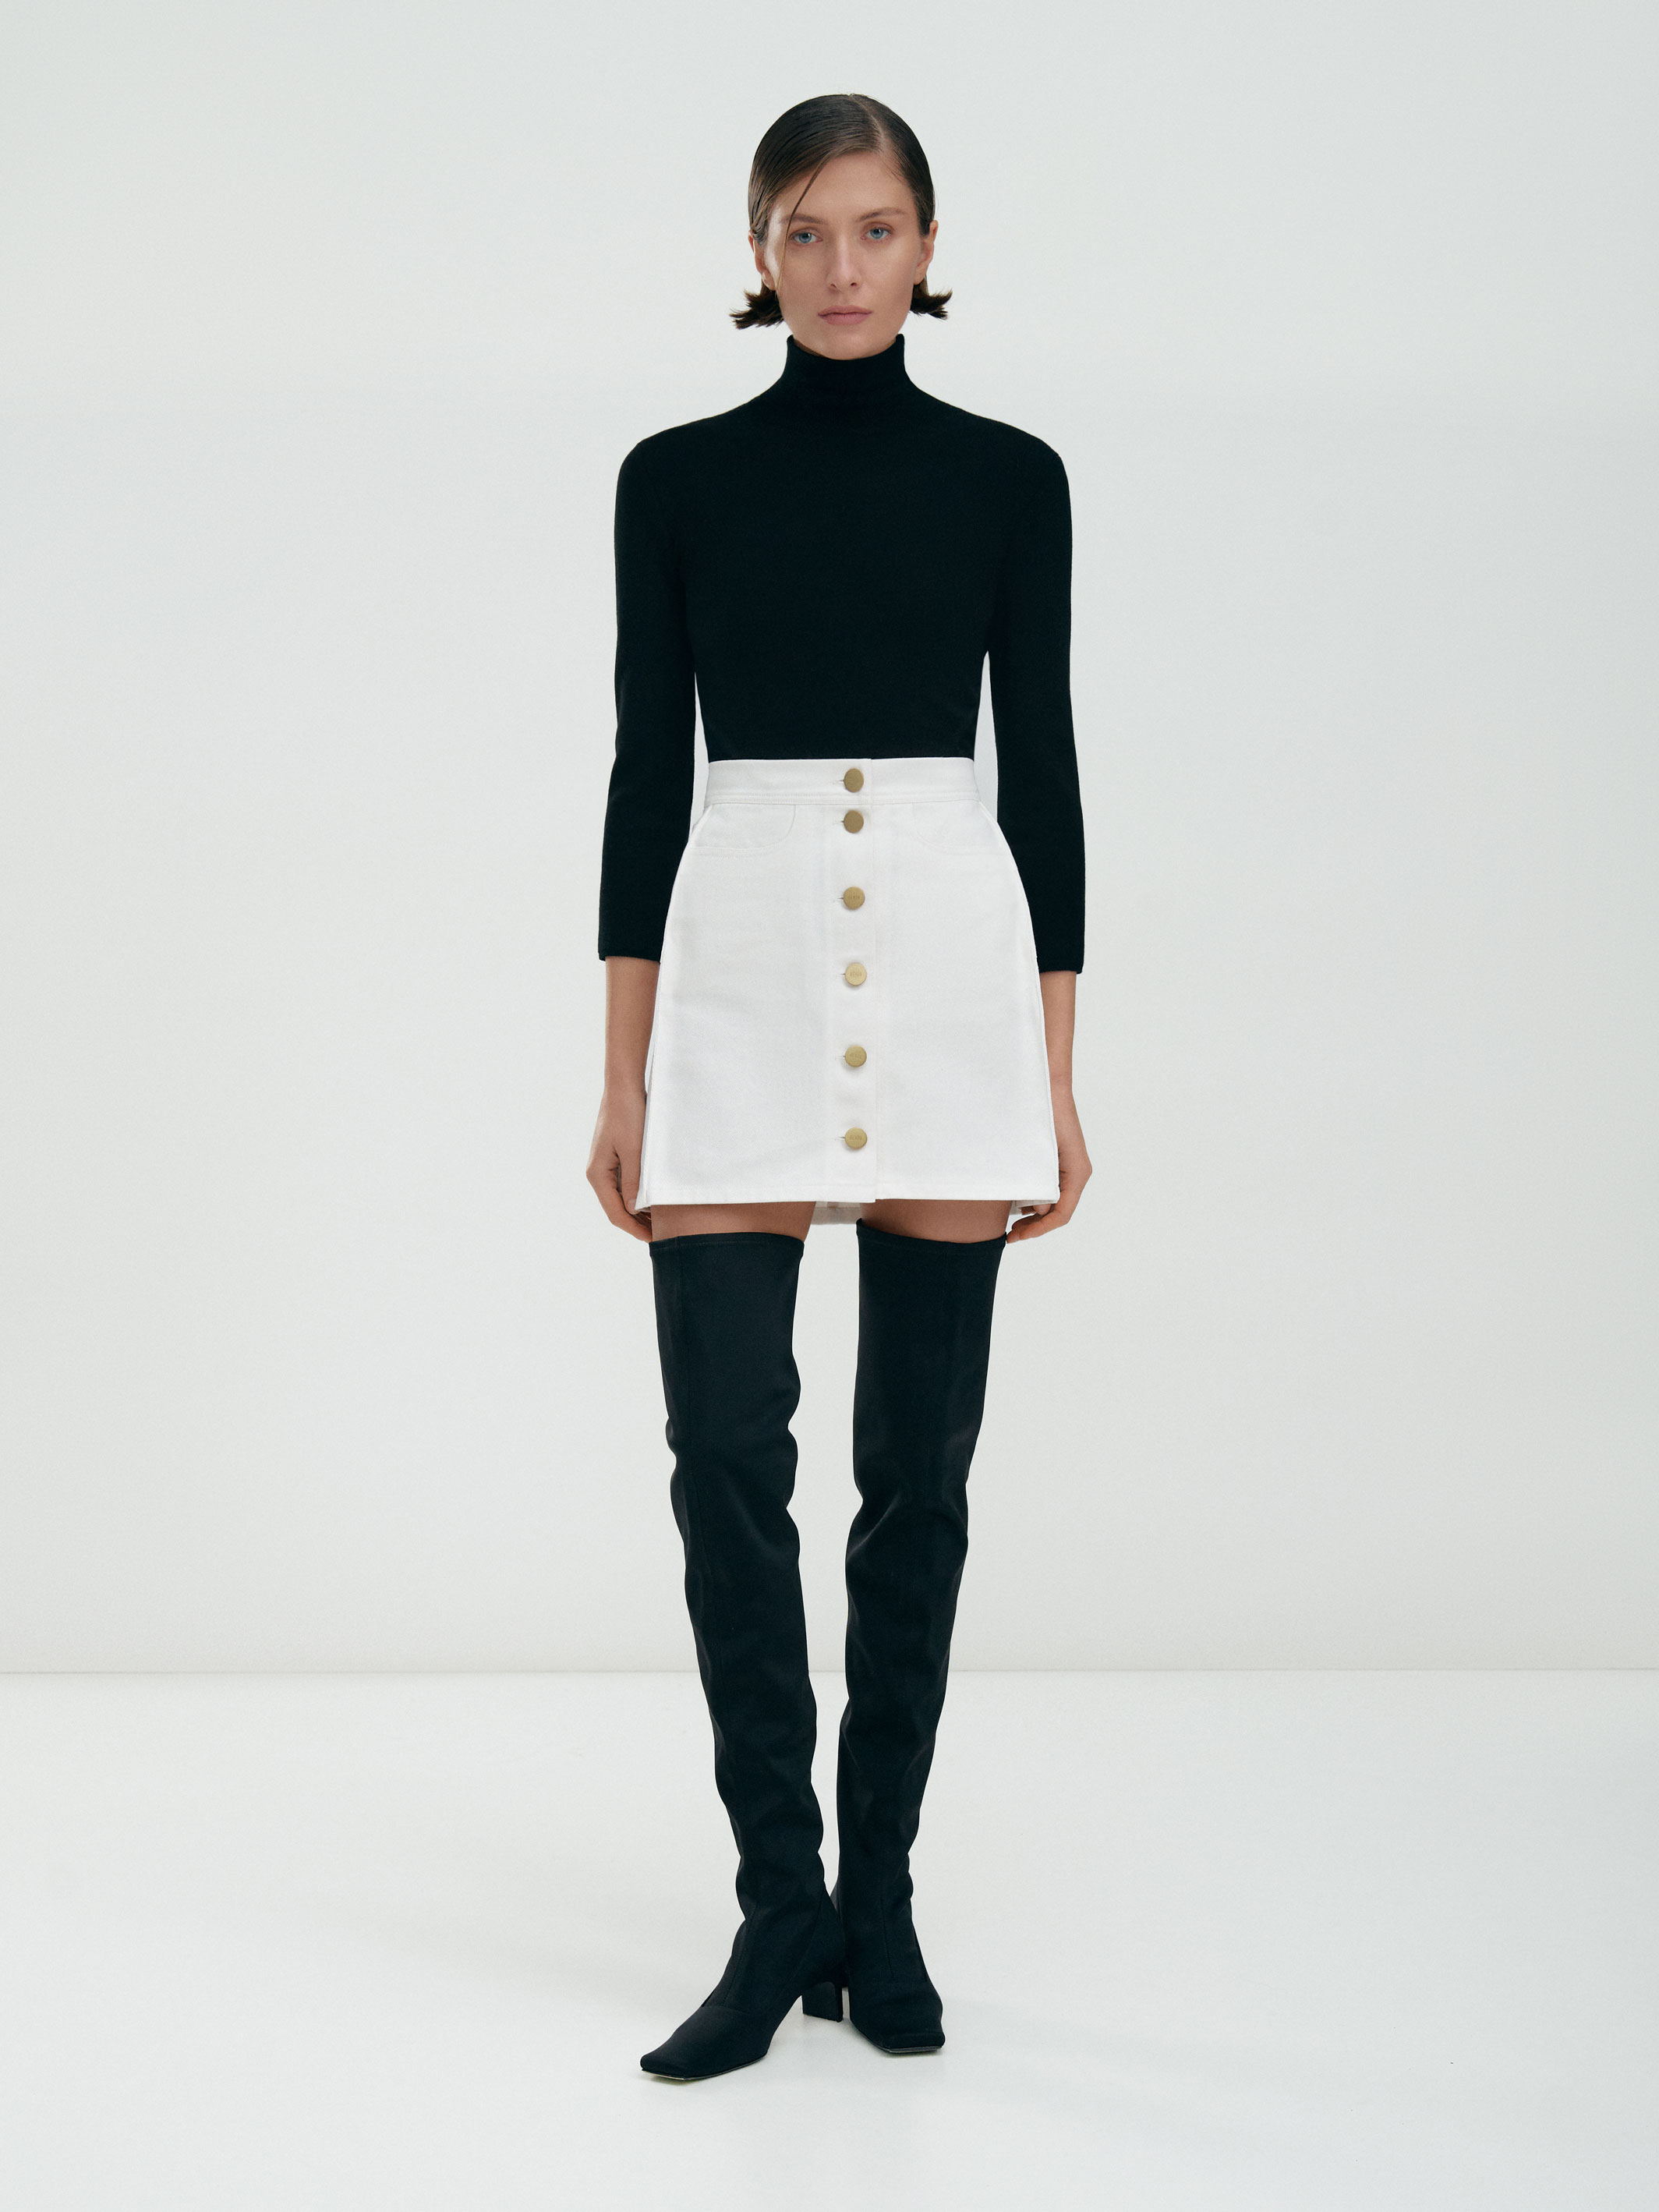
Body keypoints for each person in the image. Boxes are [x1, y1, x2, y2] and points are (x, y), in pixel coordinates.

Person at [586, 92, 1089, 2082]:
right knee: (724, 1455)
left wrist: (1053, 1076)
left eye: (874, 228)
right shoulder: (673, 478)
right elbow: (645, 771)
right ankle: (774, 1900)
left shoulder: (1011, 479)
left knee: (917, 1479)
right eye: (803, 230)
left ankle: (875, 1903)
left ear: (927, 244)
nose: (840, 266)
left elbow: (1044, 771)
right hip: (739, 960)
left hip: (954, 963)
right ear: (757, 250)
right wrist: (623, 1072)